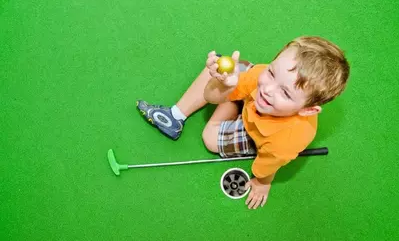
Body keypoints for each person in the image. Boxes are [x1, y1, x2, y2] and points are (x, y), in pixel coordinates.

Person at [136, 36, 350, 209]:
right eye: (272, 72)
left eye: (285, 92)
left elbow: (268, 164)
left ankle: (234, 104)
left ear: (308, 110)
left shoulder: (287, 140)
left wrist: (261, 182)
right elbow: (212, 96)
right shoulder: (262, 78)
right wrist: (224, 85)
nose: (267, 89)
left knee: (209, 138)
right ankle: (175, 116)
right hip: (250, 104)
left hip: (257, 133)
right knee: (224, 68)